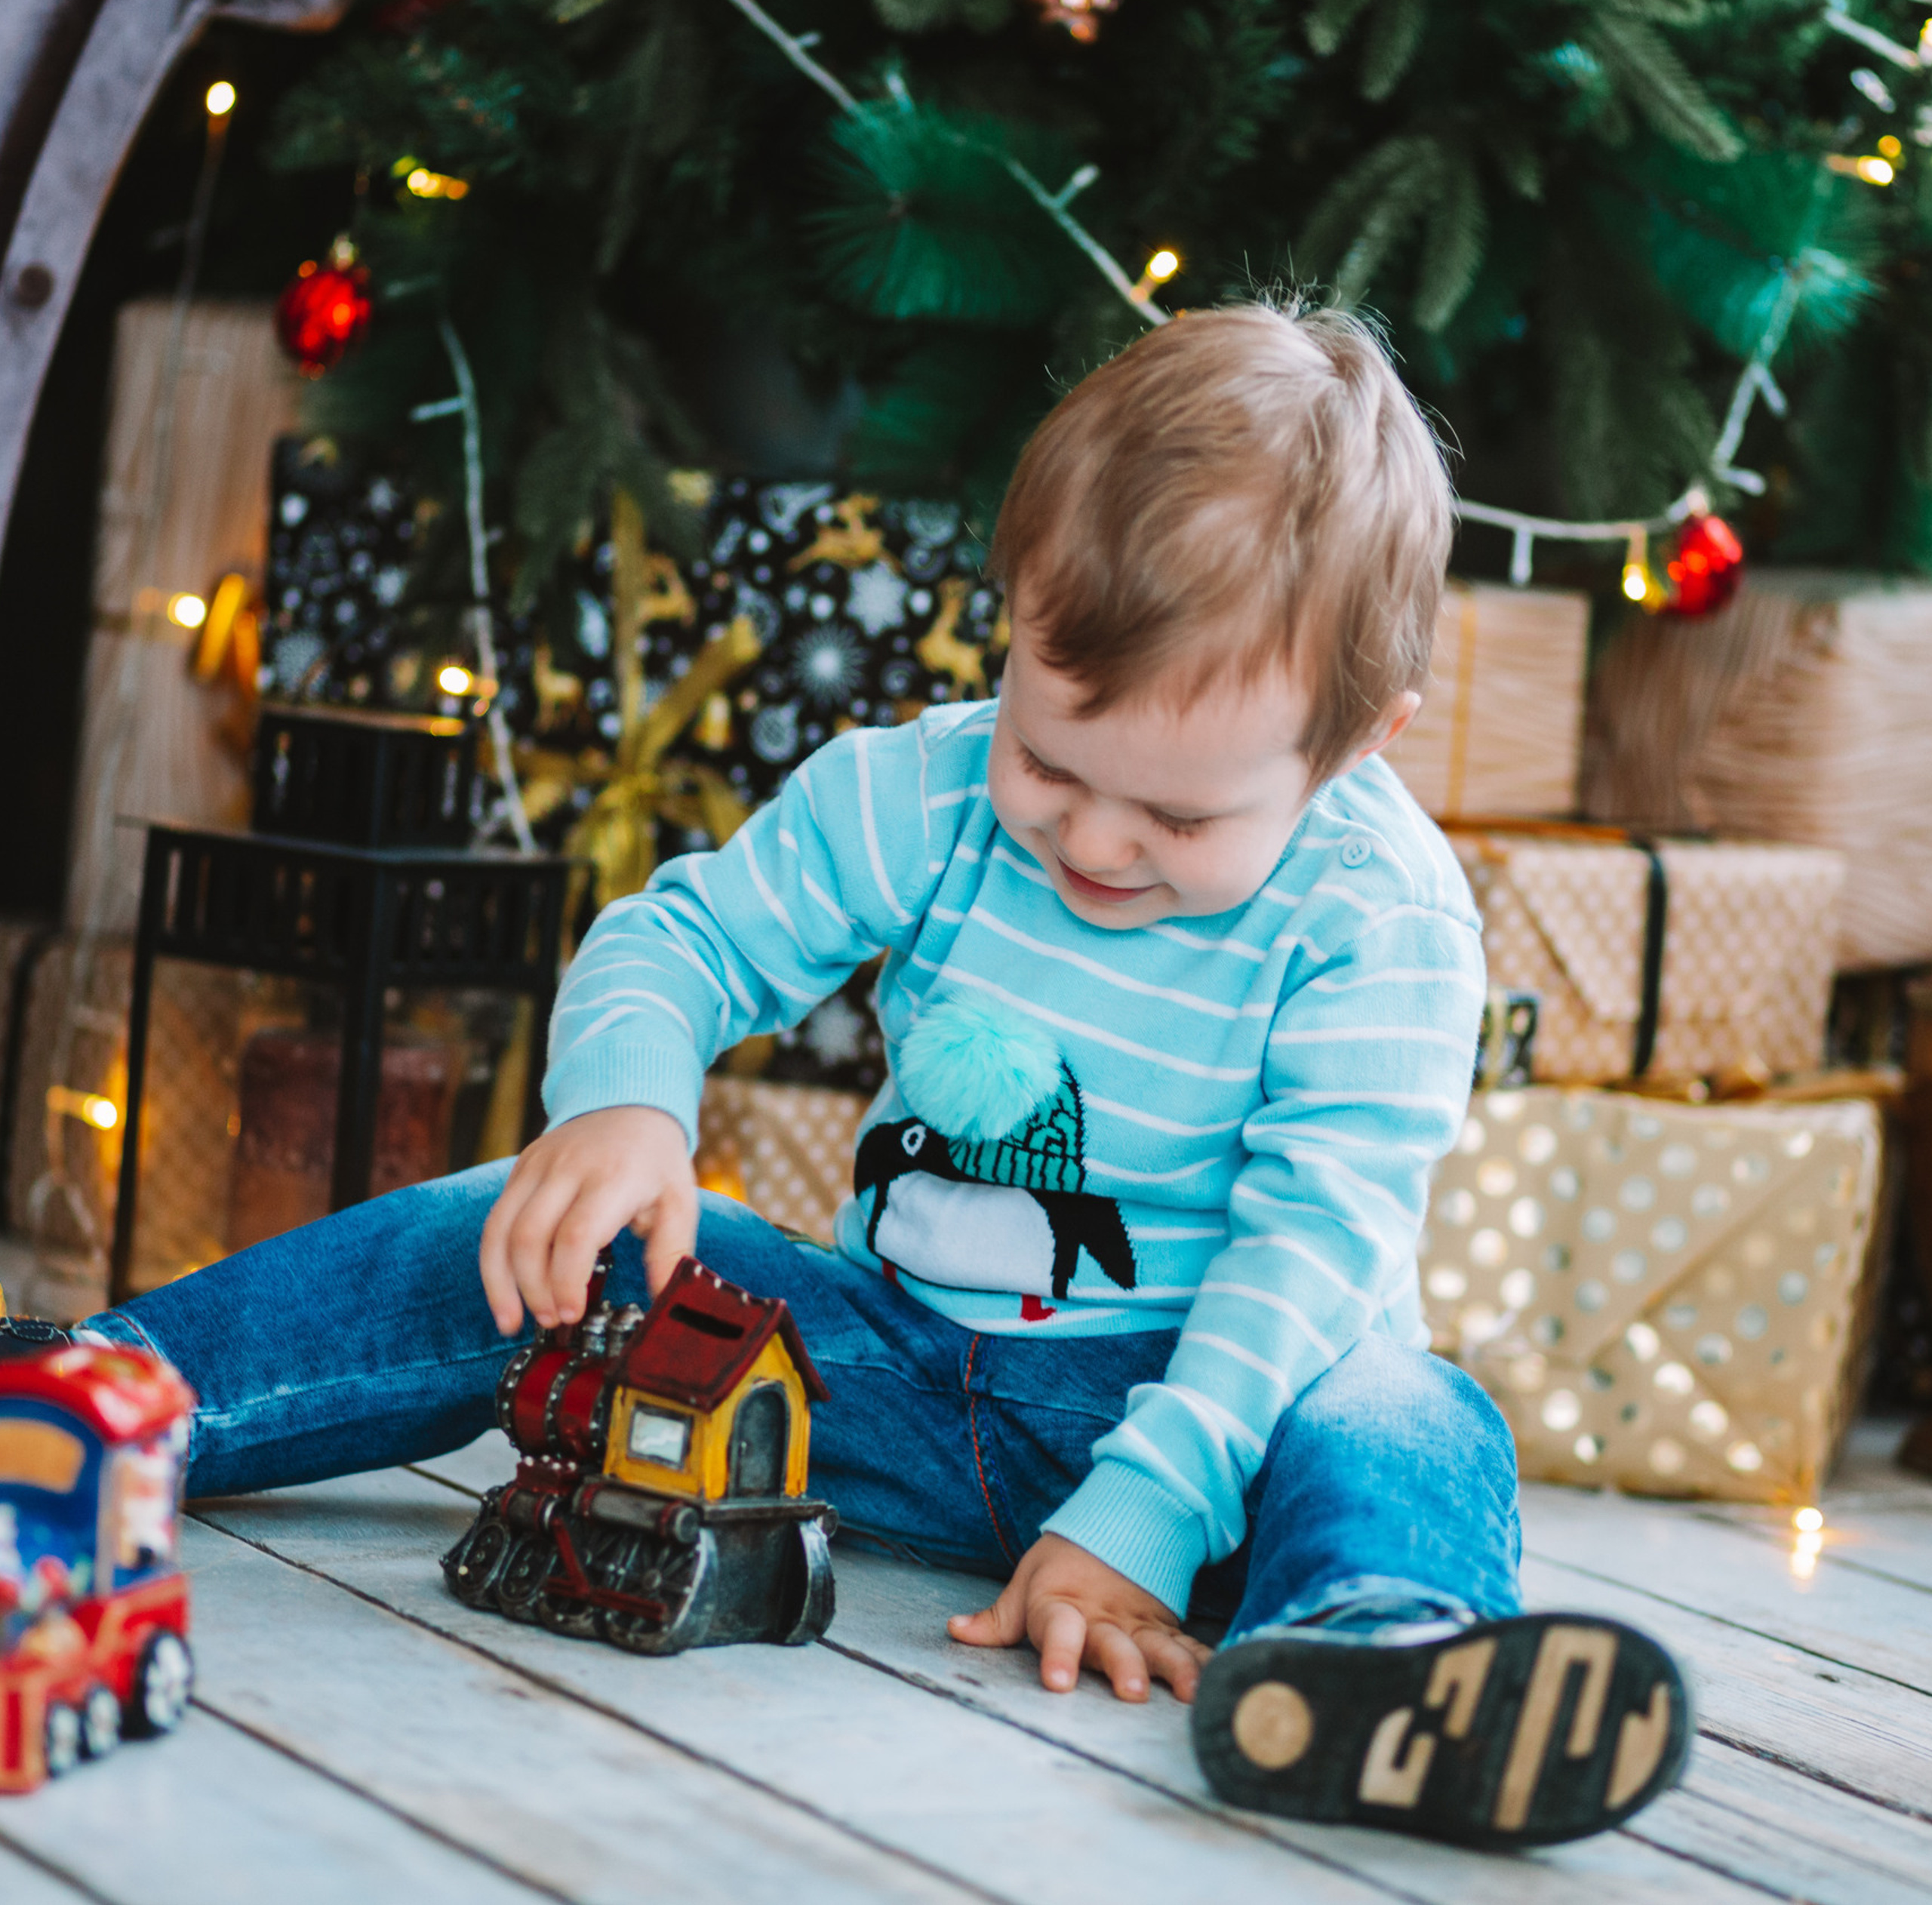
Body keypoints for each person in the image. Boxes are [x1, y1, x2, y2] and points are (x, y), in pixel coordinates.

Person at [50, 300, 1685, 1848]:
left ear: (1358, 742)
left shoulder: (1379, 917)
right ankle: (89, 1400)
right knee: (545, 1219)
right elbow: (679, 934)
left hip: (1213, 1403)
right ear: (1012, 628)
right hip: (888, 1367)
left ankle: (1370, 1665)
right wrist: (626, 1103)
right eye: (1049, 758)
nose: (1093, 839)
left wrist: (1144, 1511)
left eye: (1178, 820)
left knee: (1403, 1408)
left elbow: (1306, 1258)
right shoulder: (922, 793)